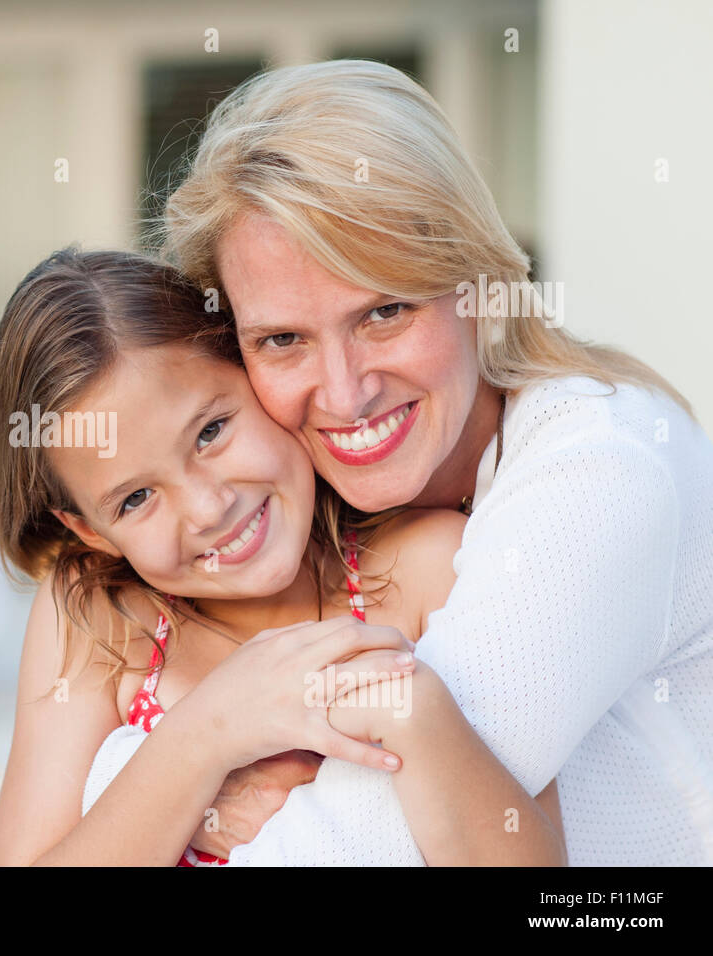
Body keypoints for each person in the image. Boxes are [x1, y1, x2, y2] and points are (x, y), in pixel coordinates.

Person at [151, 59, 713, 864]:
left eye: (385, 311)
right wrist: (200, 765)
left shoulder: (601, 469)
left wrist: (190, 796)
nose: (344, 395)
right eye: (283, 340)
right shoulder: (291, 519)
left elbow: (357, 847)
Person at [0, 248, 565, 866]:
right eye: (136, 498)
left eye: (210, 432)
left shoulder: (430, 568)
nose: (208, 508)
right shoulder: (98, 616)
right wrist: (207, 734)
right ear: (89, 530)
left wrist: (417, 715)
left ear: (262, 374)